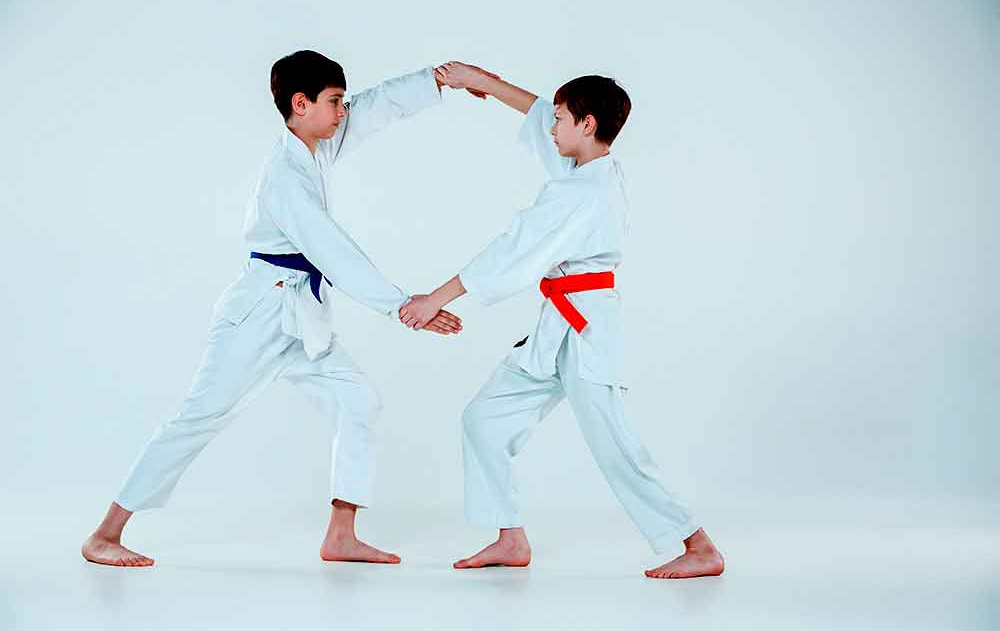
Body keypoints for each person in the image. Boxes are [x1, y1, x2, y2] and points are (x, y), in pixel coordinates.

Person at [82, 50, 467, 568]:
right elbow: (332, 249)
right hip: (259, 315)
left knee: (359, 402)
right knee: (197, 418)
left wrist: (437, 82)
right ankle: (105, 534)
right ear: (301, 104)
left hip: (303, 318)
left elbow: (376, 107)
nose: (344, 111)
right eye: (334, 102)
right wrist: (401, 305)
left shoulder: (316, 146)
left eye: (342, 101)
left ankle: (341, 534)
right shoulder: (284, 174)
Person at [400, 62, 725, 579]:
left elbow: (512, 250)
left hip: (587, 327)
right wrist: (481, 82)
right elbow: (534, 111)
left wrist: (434, 299)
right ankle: (510, 539)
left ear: (587, 124)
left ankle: (698, 545)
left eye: (560, 119)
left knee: (614, 442)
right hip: (557, 324)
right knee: (484, 419)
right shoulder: (589, 170)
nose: (550, 128)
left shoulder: (581, 192)